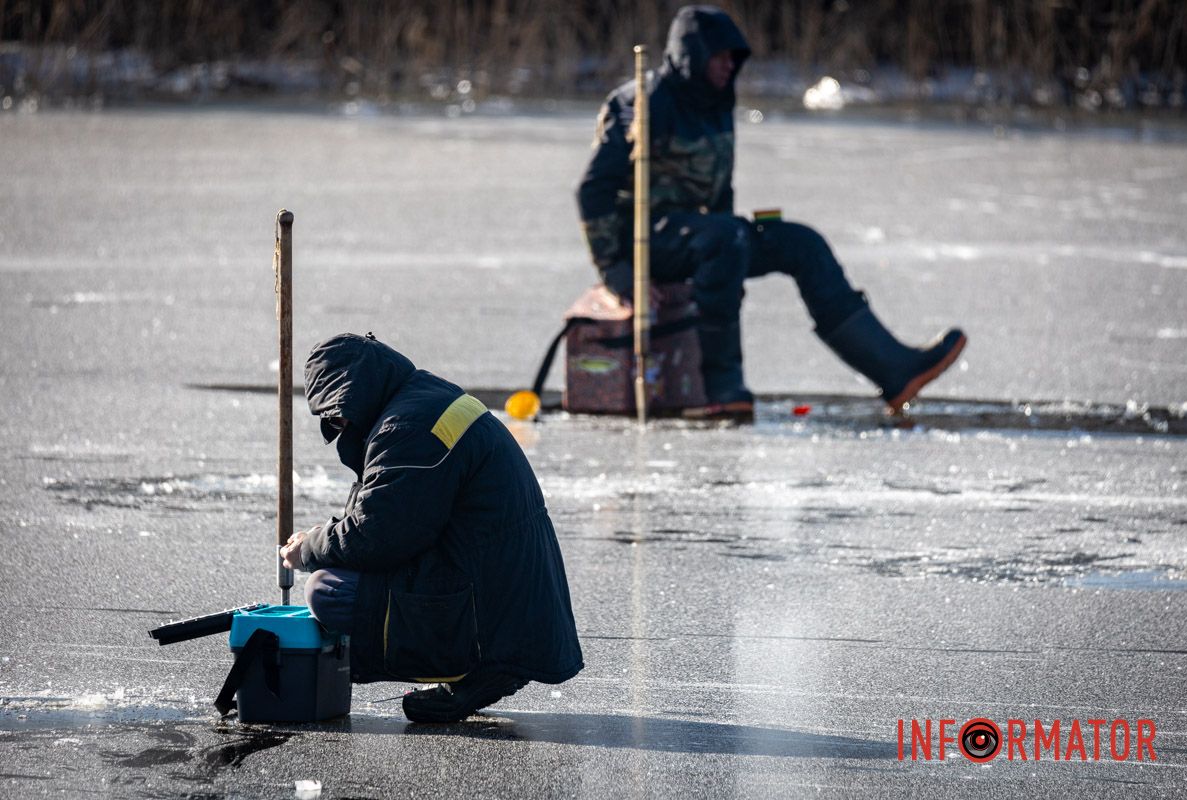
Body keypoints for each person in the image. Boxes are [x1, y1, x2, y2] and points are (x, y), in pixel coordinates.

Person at [576, 5, 967, 418]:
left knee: (801, 243)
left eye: (735, 58)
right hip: (645, 242)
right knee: (724, 238)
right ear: (693, 54)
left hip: (707, 238)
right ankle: (720, 388)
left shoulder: (715, 101)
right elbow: (593, 191)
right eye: (721, 56)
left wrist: (734, 243)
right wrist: (618, 273)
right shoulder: (641, 102)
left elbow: (720, 190)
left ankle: (893, 369)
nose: (731, 66)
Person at [280, 332, 583, 723]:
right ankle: (481, 667)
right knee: (346, 573)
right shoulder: (423, 401)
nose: (338, 425)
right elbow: (394, 518)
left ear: (354, 393)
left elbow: (379, 535)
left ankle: (473, 662)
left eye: (336, 413)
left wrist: (309, 547)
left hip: (487, 602)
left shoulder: (405, 428)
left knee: (329, 591)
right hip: (501, 589)